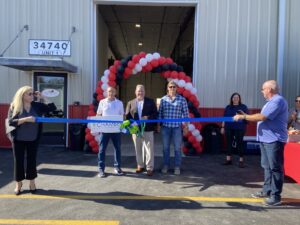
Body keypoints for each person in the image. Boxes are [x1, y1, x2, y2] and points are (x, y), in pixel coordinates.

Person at [233, 80, 288, 206]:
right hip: (266, 139)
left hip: (274, 140)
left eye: (263, 89)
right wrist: (246, 115)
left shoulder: (277, 101)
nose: (262, 91)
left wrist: (243, 117)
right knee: (267, 167)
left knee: (275, 168)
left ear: (269, 90)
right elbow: (261, 116)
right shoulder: (270, 102)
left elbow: (262, 117)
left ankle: (276, 196)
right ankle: (267, 190)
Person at [7, 86, 56, 195]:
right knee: (18, 161)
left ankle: (32, 182)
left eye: (32, 93)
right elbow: (11, 122)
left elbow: (52, 108)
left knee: (32, 161)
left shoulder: (37, 105)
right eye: (29, 94)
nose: (32, 95)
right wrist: (26, 119)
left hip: (33, 138)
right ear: (22, 95)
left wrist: (42, 97)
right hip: (18, 139)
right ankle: (18, 183)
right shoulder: (15, 106)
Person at [125, 84, 158, 176]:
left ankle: (149, 167)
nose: (140, 92)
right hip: (135, 130)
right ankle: (140, 165)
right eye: (138, 91)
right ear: (135, 92)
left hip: (148, 129)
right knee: (138, 148)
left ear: (145, 92)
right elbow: (127, 117)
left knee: (149, 149)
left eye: (142, 91)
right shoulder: (130, 103)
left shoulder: (150, 102)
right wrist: (130, 126)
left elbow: (155, 114)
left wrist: (148, 117)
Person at [158, 81, 189, 175]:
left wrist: (186, 126)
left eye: (174, 87)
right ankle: (166, 165)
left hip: (177, 128)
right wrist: (158, 126)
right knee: (165, 148)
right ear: (167, 88)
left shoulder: (182, 100)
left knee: (177, 148)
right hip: (165, 128)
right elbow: (160, 114)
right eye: (170, 87)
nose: (172, 88)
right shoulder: (163, 99)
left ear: (177, 88)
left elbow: (186, 114)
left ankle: (177, 166)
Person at [96, 86, 125, 178]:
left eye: (112, 91)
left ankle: (117, 167)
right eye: (109, 91)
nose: (111, 93)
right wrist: (98, 126)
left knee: (117, 149)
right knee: (102, 150)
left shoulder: (120, 103)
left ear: (115, 92)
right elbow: (98, 114)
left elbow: (122, 116)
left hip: (116, 130)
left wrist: (122, 126)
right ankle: (101, 169)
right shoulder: (102, 102)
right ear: (106, 93)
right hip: (105, 130)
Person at [221, 92, 249, 168]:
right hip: (228, 127)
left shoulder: (243, 107)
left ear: (239, 99)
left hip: (239, 128)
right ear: (232, 99)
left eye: (237, 97)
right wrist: (222, 127)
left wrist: (242, 116)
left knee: (239, 144)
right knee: (228, 143)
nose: (235, 98)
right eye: (234, 97)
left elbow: (247, 117)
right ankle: (228, 160)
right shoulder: (228, 107)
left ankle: (241, 161)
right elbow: (224, 118)